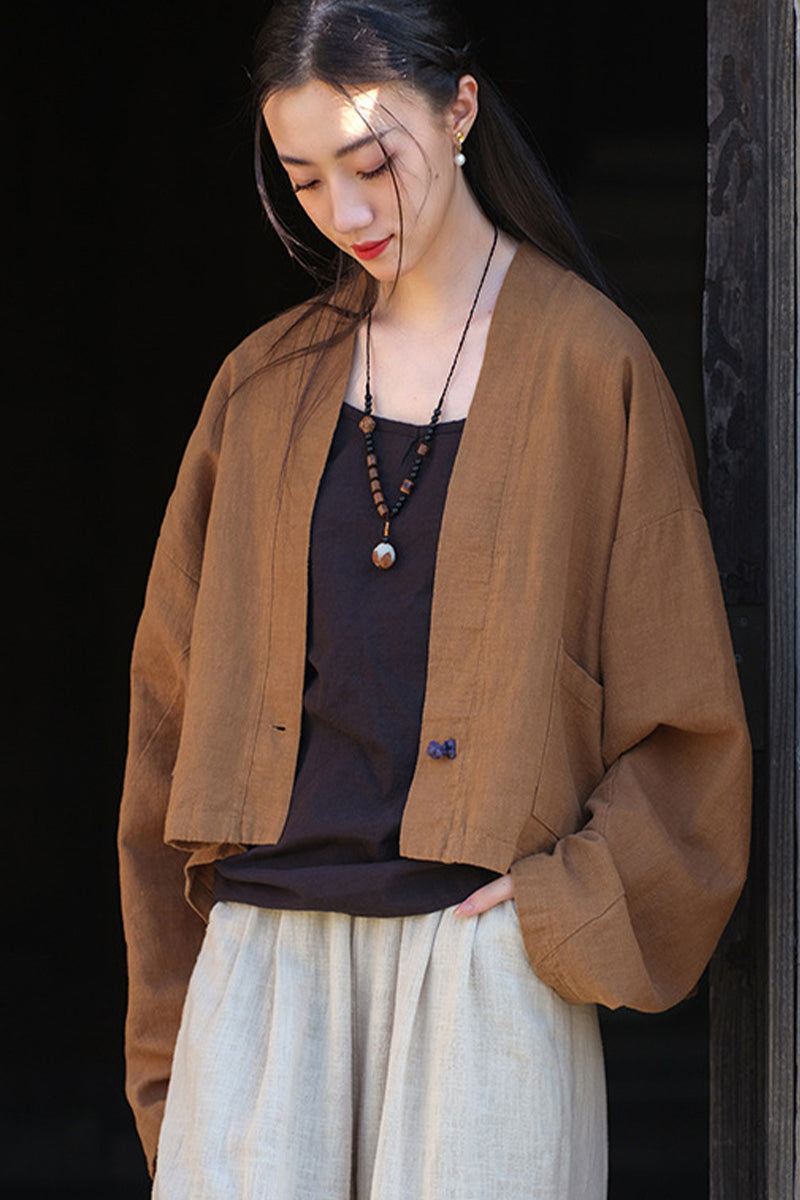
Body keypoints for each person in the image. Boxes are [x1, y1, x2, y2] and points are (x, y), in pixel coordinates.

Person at [116, 2, 753, 1197]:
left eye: (371, 164)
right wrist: (173, 1054)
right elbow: (164, 728)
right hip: (260, 970)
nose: (344, 214)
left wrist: (557, 909)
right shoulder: (259, 387)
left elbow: (686, 730)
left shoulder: (588, 367)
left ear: (457, 110)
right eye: (302, 180)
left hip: (477, 971)